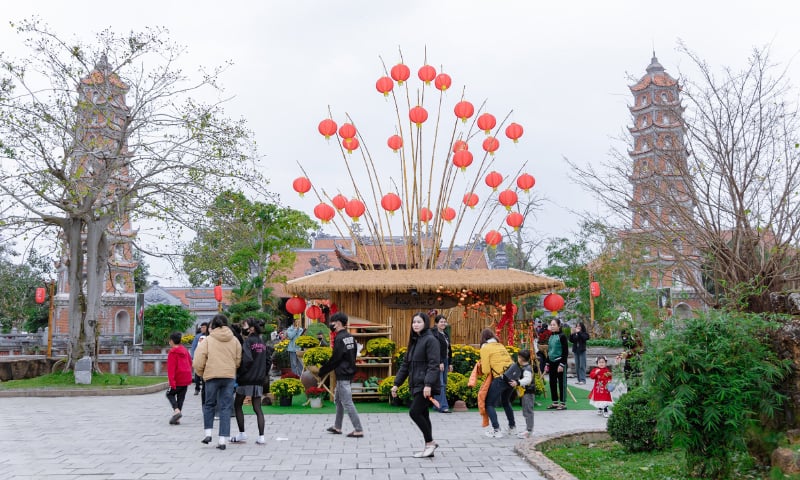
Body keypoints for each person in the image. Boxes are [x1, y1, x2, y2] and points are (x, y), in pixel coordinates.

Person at [392, 312, 441, 458]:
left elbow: (433, 365)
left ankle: (430, 443)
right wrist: (396, 384)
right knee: (423, 414)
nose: (416, 324)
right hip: (416, 384)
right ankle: (429, 446)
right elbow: (405, 365)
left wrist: (428, 384)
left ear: (425, 323)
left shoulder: (431, 340)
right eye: (414, 322)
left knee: (414, 412)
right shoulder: (414, 341)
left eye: (419, 322)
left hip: (425, 385)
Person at [192, 313, 242, 450]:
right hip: (228, 376)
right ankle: (222, 440)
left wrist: (201, 373)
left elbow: (198, 359)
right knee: (226, 407)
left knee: (209, 404)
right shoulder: (234, 340)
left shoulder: (208, 340)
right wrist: (231, 369)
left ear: (212, 325)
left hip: (211, 376)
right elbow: (238, 359)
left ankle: (208, 433)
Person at [318, 312, 364, 438]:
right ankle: (337, 427)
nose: (331, 324)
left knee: (347, 402)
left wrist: (322, 371)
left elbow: (335, 359)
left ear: (338, 323)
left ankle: (358, 429)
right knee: (338, 400)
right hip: (348, 372)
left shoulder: (339, 338)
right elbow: (352, 355)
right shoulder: (350, 337)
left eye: (332, 322)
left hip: (343, 374)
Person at [230, 319, 270, 445]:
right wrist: (262, 373)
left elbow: (246, 360)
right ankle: (261, 436)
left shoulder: (248, 342)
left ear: (251, 328)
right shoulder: (263, 343)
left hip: (246, 378)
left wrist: (240, 373)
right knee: (257, 407)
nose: (244, 328)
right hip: (258, 379)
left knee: (238, 404)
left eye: (246, 326)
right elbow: (268, 361)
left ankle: (242, 433)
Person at [478, 328, 517, 438]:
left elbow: (485, 370)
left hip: (500, 378)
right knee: (506, 401)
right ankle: (512, 427)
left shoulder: (485, 348)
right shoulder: (500, 345)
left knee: (488, 403)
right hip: (512, 376)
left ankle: (496, 430)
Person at [166, 331, 193, 425]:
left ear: (172, 341)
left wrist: (171, 382)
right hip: (186, 376)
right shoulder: (184, 350)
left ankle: (176, 411)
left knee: (169, 394)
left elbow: (171, 368)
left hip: (178, 377)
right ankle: (177, 419)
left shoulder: (172, 352)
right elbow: (190, 362)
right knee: (181, 397)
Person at [544, 318, 569, 410]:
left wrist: (562, 364)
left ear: (559, 326)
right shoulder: (551, 337)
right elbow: (549, 351)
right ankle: (555, 402)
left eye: (554, 324)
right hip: (552, 362)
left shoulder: (562, 336)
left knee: (562, 383)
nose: (552, 326)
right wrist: (547, 363)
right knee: (552, 383)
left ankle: (563, 403)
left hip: (559, 362)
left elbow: (565, 352)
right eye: (551, 325)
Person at [512, 350, 535, 438]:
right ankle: (528, 429)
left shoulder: (527, 369)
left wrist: (518, 383)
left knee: (528, 411)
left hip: (528, 392)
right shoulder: (525, 367)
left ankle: (529, 430)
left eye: (518, 357)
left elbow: (527, 380)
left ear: (521, 359)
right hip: (526, 392)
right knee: (526, 410)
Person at [432, 314, 452, 413]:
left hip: (445, 360)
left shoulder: (445, 334)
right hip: (437, 361)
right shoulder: (434, 334)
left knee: (442, 383)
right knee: (440, 384)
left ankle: (436, 405)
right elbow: (435, 350)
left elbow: (449, 349)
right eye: (441, 322)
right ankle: (443, 406)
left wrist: (450, 363)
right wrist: (439, 362)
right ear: (436, 323)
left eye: (444, 322)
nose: (443, 323)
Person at [189, 322, 208, 395]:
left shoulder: (209, 336)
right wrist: (193, 357)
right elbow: (193, 347)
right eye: (201, 327)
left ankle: (204, 388)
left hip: (206, 359)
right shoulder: (197, 337)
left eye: (204, 327)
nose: (202, 329)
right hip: (198, 358)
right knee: (197, 375)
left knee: (204, 376)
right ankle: (197, 388)